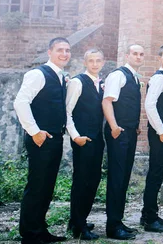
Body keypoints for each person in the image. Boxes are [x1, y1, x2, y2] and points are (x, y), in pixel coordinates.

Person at [14, 37, 71, 244]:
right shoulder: (38, 74)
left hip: (54, 139)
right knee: (37, 186)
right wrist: (34, 131)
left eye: (67, 50)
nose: (64, 54)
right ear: (49, 52)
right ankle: (29, 235)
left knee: (47, 187)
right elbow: (21, 102)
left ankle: (40, 230)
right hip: (40, 139)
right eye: (59, 50)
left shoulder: (61, 76)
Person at [102, 44, 145, 240]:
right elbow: (107, 101)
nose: (138, 56)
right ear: (127, 55)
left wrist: (134, 125)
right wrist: (114, 127)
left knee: (124, 177)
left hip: (129, 132)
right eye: (134, 53)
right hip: (118, 132)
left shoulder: (135, 78)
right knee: (117, 178)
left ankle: (118, 221)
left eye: (141, 54)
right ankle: (112, 226)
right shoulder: (118, 75)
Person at [65, 49, 106, 240]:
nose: (95, 64)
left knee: (93, 179)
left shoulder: (100, 84)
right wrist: (75, 136)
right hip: (83, 140)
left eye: (98, 61)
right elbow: (67, 111)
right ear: (85, 62)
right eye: (91, 61)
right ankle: (79, 227)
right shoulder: (77, 82)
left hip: (97, 139)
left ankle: (77, 219)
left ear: (103, 62)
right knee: (82, 181)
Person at [140, 45, 163, 233]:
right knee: (155, 174)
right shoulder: (158, 78)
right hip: (158, 133)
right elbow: (150, 105)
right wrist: (162, 131)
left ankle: (148, 214)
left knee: (157, 173)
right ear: (160, 58)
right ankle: (150, 219)